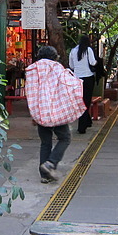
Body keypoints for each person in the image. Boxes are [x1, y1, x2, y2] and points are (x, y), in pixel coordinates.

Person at [25, 45, 76, 183]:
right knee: (65, 138)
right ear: (54, 56)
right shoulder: (58, 68)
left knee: (45, 142)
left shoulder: (32, 69)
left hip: (40, 109)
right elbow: (67, 86)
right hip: (56, 109)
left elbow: (30, 92)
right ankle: (50, 163)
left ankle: (44, 176)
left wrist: (33, 112)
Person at [68, 35, 97, 134]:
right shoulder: (88, 50)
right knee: (86, 101)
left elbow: (71, 65)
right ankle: (82, 126)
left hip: (76, 79)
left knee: (80, 101)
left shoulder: (73, 51)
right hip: (88, 78)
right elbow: (93, 63)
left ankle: (87, 121)